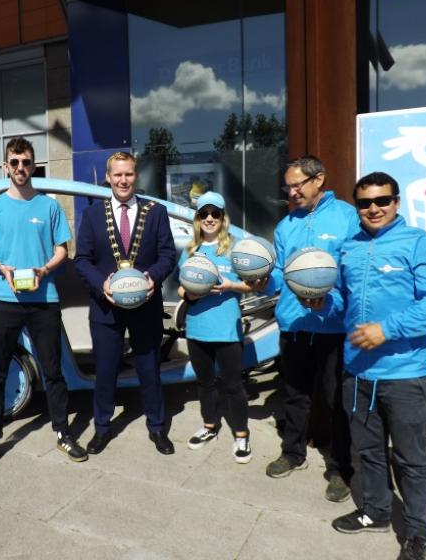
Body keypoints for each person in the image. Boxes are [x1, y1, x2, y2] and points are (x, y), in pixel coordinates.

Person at [330, 172, 426, 560]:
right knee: (367, 451)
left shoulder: (417, 243)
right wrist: (321, 302)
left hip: (404, 374)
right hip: (358, 372)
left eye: (382, 200)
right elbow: (342, 302)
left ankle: (416, 533)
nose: (374, 209)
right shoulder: (349, 247)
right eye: (365, 203)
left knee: (410, 458)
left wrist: (387, 329)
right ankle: (376, 511)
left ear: (396, 202)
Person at [0, 137, 87, 472]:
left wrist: (45, 269)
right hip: (3, 300)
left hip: (44, 300)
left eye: (26, 162)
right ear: (5, 166)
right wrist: (1, 268)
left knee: (54, 371)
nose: (20, 168)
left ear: (34, 165)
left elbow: (62, 250)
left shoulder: (48, 206)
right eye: (14, 162)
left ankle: (63, 432)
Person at [264, 155, 359, 503]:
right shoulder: (286, 224)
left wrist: (329, 300)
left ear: (319, 179)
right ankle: (292, 453)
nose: (291, 192)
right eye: (288, 186)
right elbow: (278, 274)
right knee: (295, 392)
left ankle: (339, 468)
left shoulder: (347, 217)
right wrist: (262, 280)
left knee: (336, 399)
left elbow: (353, 274)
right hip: (293, 323)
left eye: (297, 184)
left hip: (333, 325)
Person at [74, 151, 177, 455]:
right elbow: (82, 260)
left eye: (129, 174)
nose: (123, 180)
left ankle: (157, 428)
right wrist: (100, 283)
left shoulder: (155, 212)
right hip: (105, 308)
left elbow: (168, 255)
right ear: (108, 177)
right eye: (117, 174)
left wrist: (152, 278)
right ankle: (102, 428)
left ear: (136, 176)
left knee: (150, 368)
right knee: (105, 371)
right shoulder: (93, 215)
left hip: (145, 305)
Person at [178, 191, 265, 463]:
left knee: (233, 385)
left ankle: (241, 434)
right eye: (204, 214)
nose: (209, 218)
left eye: (215, 213)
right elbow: (182, 288)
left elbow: (253, 285)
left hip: (227, 328)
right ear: (197, 218)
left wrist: (229, 286)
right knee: (205, 383)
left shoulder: (237, 249)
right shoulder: (191, 250)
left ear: (223, 217)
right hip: (197, 328)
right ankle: (209, 426)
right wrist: (192, 293)